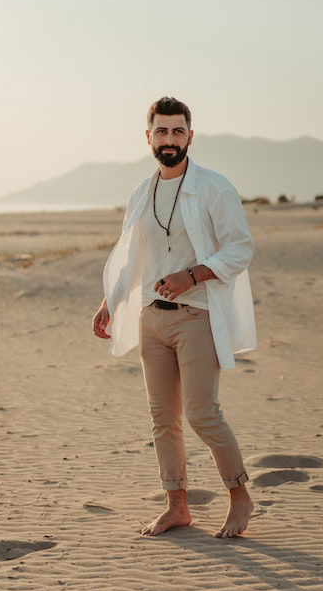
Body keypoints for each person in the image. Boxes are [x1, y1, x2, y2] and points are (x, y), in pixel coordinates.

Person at [92, 96, 256, 538]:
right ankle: (177, 506)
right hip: (152, 319)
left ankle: (239, 496)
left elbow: (240, 247)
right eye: (161, 131)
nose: (170, 139)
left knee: (202, 413)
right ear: (149, 137)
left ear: (190, 136)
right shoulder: (140, 192)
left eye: (178, 131)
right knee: (162, 418)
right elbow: (131, 255)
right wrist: (112, 300)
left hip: (197, 315)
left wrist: (192, 276)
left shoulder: (214, 186)